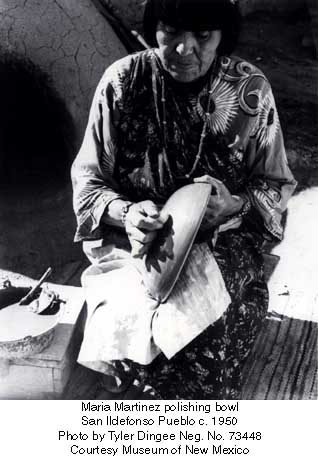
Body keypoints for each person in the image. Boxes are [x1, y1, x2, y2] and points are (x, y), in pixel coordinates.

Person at [71, 0, 297, 399]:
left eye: (203, 35)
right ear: (154, 26)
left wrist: (235, 205)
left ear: (223, 35)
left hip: (222, 241)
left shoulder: (249, 89)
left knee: (203, 334)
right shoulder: (123, 81)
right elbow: (89, 182)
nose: (183, 48)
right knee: (132, 330)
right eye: (171, 31)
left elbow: (275, 185)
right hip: (135, 246)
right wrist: (126, 213)